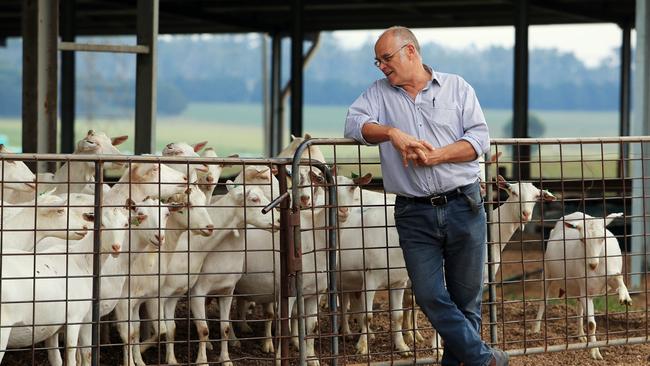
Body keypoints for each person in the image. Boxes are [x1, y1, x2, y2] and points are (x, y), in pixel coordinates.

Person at [344, 26, 508, 366]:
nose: (382, 67)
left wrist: (437, 156)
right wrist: (392, 133)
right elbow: (353, 123)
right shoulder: (378, 93)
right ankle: (485, 360)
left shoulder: (457, 87)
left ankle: (475, 361)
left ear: (411, 52)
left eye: (386, 59)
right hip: (413, 212)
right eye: (377, 61)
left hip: (464, 203)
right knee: (429, 295)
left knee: (466, 301)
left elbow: (479, 140)